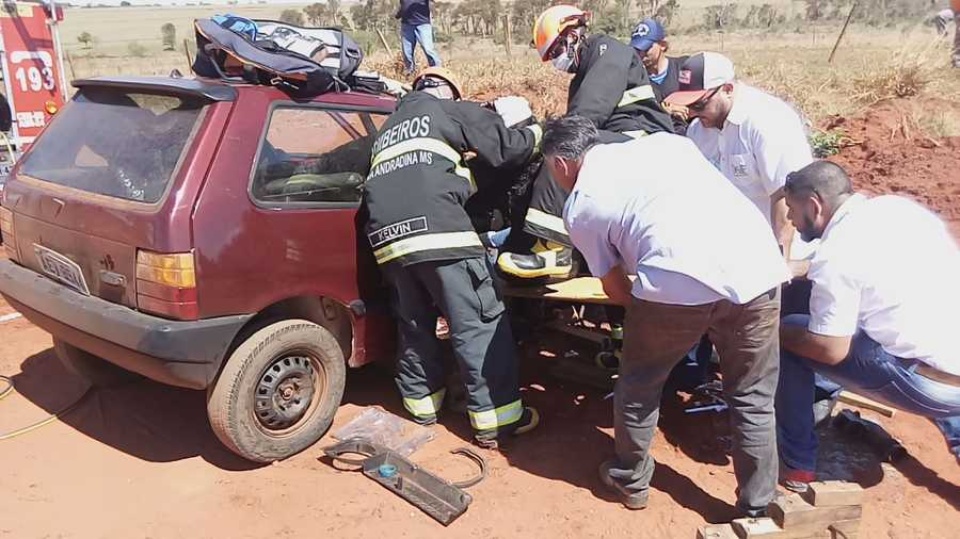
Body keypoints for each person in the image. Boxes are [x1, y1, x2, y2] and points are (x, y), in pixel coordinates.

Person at [543, 115, 790, 515]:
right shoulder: (666, 144)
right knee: (752, 396)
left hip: (676, 280)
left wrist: (648, 318)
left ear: (561, 165)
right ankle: (758, 506)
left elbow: (614, 287)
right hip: (758, 267)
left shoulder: (582, 204)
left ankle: (631, 481)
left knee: (639, 382)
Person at [361, 67, 541, 447]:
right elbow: (508, 147)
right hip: (440, 235)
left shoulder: (387, 129)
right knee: (478, 321)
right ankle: (496, 420)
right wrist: (539, 133)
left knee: (414, 324)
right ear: (447, 91)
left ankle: (421, 406)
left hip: (389, 244)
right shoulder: (444, 110)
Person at [776, 161, 960, 491]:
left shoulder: (837, 255)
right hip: (952, 366)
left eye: (791, 208)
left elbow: (830, 349)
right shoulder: (897, 209)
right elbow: (852, 268)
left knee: (790, 337)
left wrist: (769, 332)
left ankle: (797, 464)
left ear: (814, 205)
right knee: (925, 341)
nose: (789, 219)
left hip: (922, 385)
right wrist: (793, 269)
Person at [496, 5, 674, 280]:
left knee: (562, 151)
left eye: (556, 51)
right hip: (616, 140)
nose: (556, 60)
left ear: (573, 34)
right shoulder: (583, 73)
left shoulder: (608, 52)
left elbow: (587, 116)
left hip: (642, 139)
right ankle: (531, 243)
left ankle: (554, 249)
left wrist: (543, 135)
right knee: (541, 161)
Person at [665, 52, 813, 262]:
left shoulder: (767, 120)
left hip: (781, 254)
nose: (690, 114)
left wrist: (781, 266)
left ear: (727, 89)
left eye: (698, 105)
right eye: (687, 106)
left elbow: (786, 196)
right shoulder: (698, 131)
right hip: (735, 256)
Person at [629, 18, 690, 134]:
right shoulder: (634, 78)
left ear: (662, 45)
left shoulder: (684, 67)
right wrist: (662, 110)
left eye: (646, 48)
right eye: (637, 49)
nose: (641, 54)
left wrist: (687, 109)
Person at [395, 0, 442, 76]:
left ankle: (438, 71)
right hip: (407, 25)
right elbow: (404, 5)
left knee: (428, 49)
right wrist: (399, 14)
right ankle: (410, 73)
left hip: (422, 24)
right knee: (407, 52)